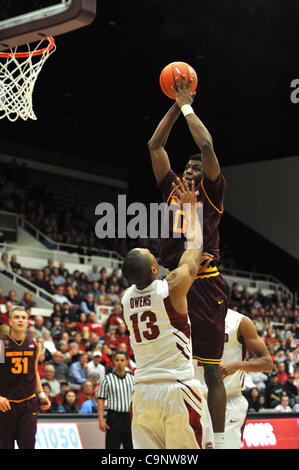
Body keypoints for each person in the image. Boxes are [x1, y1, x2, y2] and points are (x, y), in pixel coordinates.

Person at [148, 71, 227, 447]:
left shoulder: (211, 193)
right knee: (173, 368)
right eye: (188, 168)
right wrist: (173, 108)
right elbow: (155, 146)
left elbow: (208, 146)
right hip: (170, 282)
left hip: (205, 281)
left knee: (210, 372)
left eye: (195, 169)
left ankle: (221, 439)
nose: (190, 171)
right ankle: (175, 436)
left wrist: (188, 107)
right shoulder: (172, 189)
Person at [121, 178, 214, 449]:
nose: (156, 258)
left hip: (142, 393)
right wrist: (191, 210)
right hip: (177, 389)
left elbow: (172, 278)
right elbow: (193, 251)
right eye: (153, 257)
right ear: (153, 270)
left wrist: (188, 269)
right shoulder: (170, 289)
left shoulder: (125, 299)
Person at [198, 307, 273, 448]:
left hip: (229, 401)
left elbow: (267, 362)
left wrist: (238, 365)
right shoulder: (189, 314)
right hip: (197, 400)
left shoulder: (240, 321)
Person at [0, 306, 51, 449]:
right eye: (16, 317)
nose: (20, 320)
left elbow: (34, 372)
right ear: (10, 321)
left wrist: (41, 394)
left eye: (23, 317)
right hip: (6, 405)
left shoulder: (34, 345)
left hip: (28, 404)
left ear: (28, 322)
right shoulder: (2, 345)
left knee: (28, 444)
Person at [98, 351, 134, 449]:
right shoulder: (106, 379)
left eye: (122, 360)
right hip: (114, 417)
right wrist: (101, 420)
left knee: (131, 446)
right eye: (117, 360)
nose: (119, 363)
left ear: (127, 362)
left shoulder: (133, 379)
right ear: (113, 362)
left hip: (129, 418)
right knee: (112, 446)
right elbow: (101, 400)